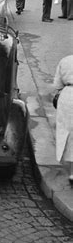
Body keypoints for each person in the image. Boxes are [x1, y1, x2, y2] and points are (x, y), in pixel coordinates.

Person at [52, 55, 73, 183]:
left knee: (68, 132)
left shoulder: (65, 60)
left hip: (67, 97)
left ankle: (72, 172)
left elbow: (57, 84)